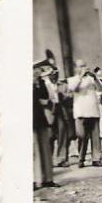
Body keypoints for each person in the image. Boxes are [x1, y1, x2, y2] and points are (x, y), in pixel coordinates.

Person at [68, 59, 102, 167]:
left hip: (93, 110)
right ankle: (81, 159)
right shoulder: (72, 79)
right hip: (81, 111)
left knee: (96, 137)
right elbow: (72, 89)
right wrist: (80, 76)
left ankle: (96, 159)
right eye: (81, 66)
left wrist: (95, 78)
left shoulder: (91, 79)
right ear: (76, 68)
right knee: (82, 136)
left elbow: (101, 89)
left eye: (84, 65)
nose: (83, 68)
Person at [33, 60, 59, 189]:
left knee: (45, 149)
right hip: (31, 119)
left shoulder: (41, 82)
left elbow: (45, 97)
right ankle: (35, 180)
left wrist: (38, 84)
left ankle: (48, 179)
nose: (37, 71)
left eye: (37, 69)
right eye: (35, 69)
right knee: (34, 151)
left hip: (41, 119)